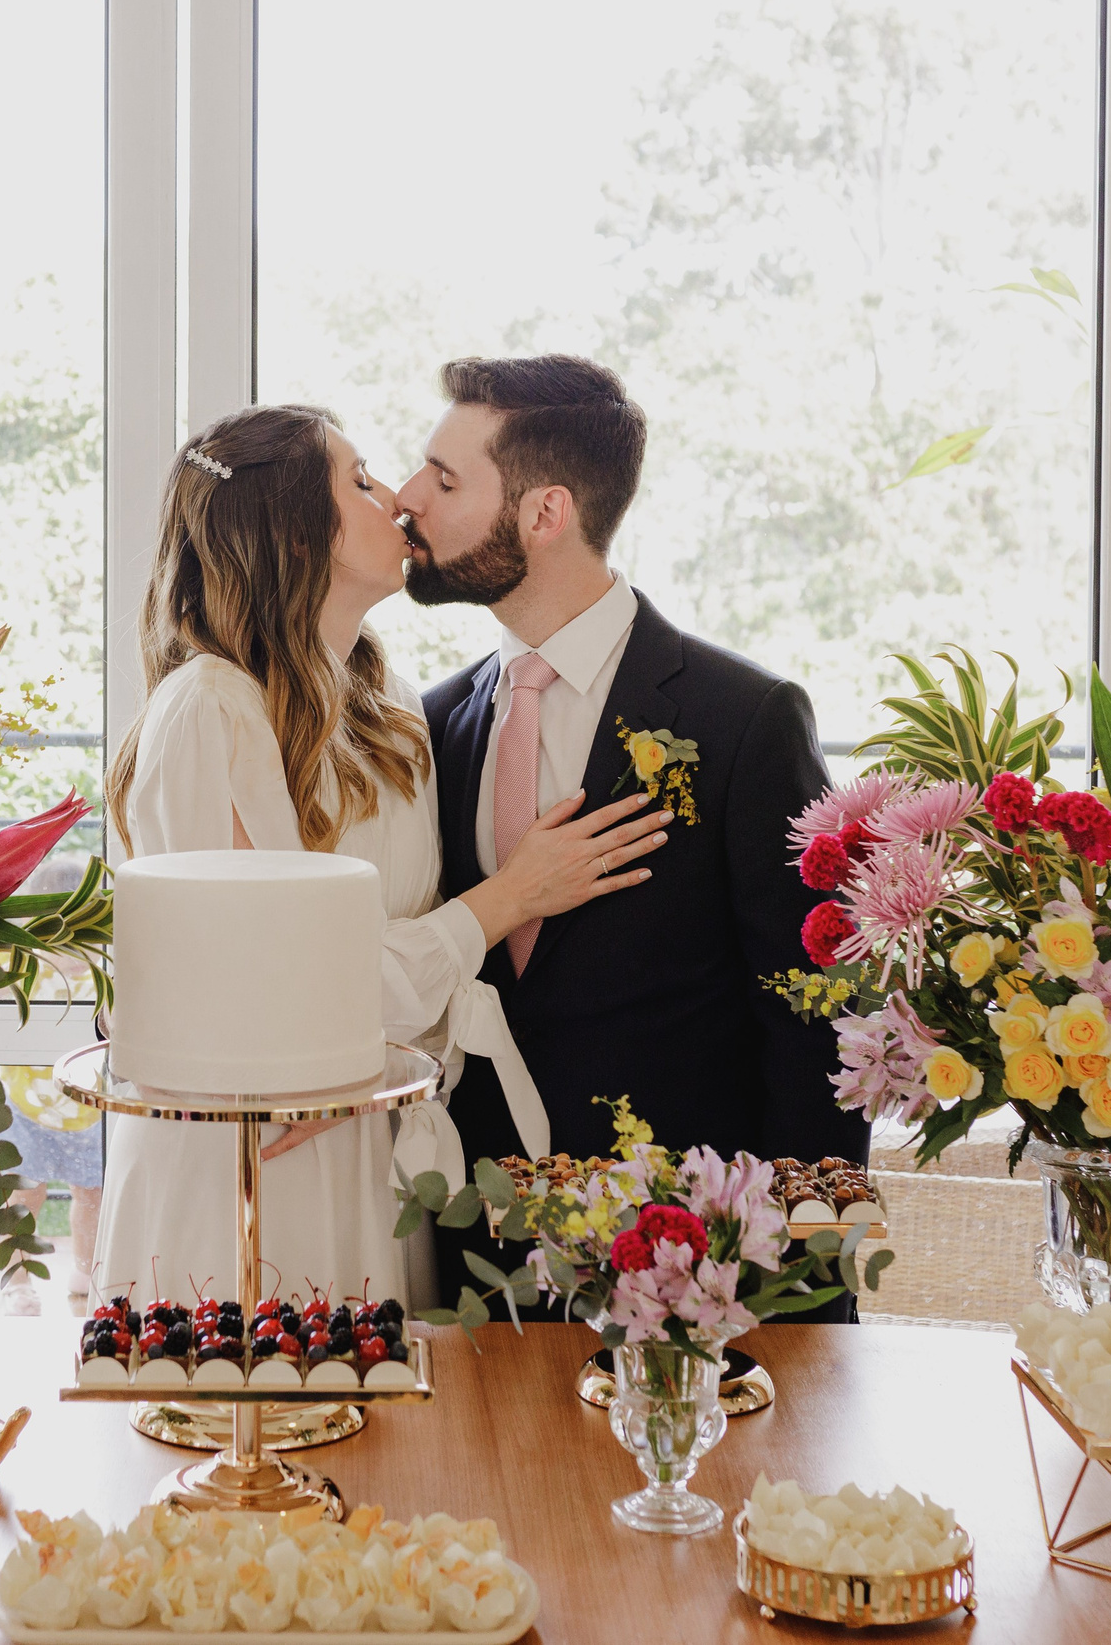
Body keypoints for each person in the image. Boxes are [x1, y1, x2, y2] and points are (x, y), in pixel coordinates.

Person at [92, 403, 671, 1309]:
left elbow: (395, 972)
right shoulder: (212, 709)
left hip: (374, 1136)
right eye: (360, 480)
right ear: (292, 537)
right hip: (259, 1159)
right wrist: (508, 899)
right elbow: (270, 994)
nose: (397, 499)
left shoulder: (393, 706)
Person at [398, 355, 866, 1310]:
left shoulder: (745, 718)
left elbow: (818, 1020)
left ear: (545, 513)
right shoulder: (433, 724)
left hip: (700, 1265)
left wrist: (816, 1289)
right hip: (480, 1271)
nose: (408, 499)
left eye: (445, 480)